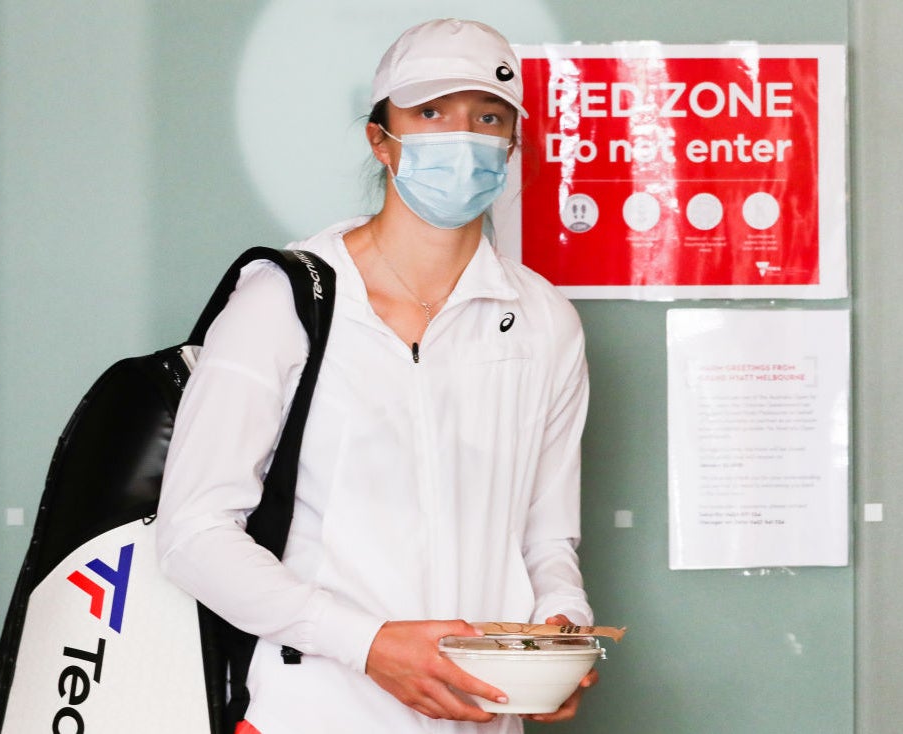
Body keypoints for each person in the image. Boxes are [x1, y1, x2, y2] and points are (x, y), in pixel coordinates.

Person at [156, 18, 596, 734]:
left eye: (488, 117)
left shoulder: (545, 321)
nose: (463, 137)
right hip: (312, 716)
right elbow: (193, 534)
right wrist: (366, 645)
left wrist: (561, 632)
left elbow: (547, 541)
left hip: (482, 720)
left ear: (512, 142)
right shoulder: (286, 300)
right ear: (379, 139)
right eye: (430, 113)